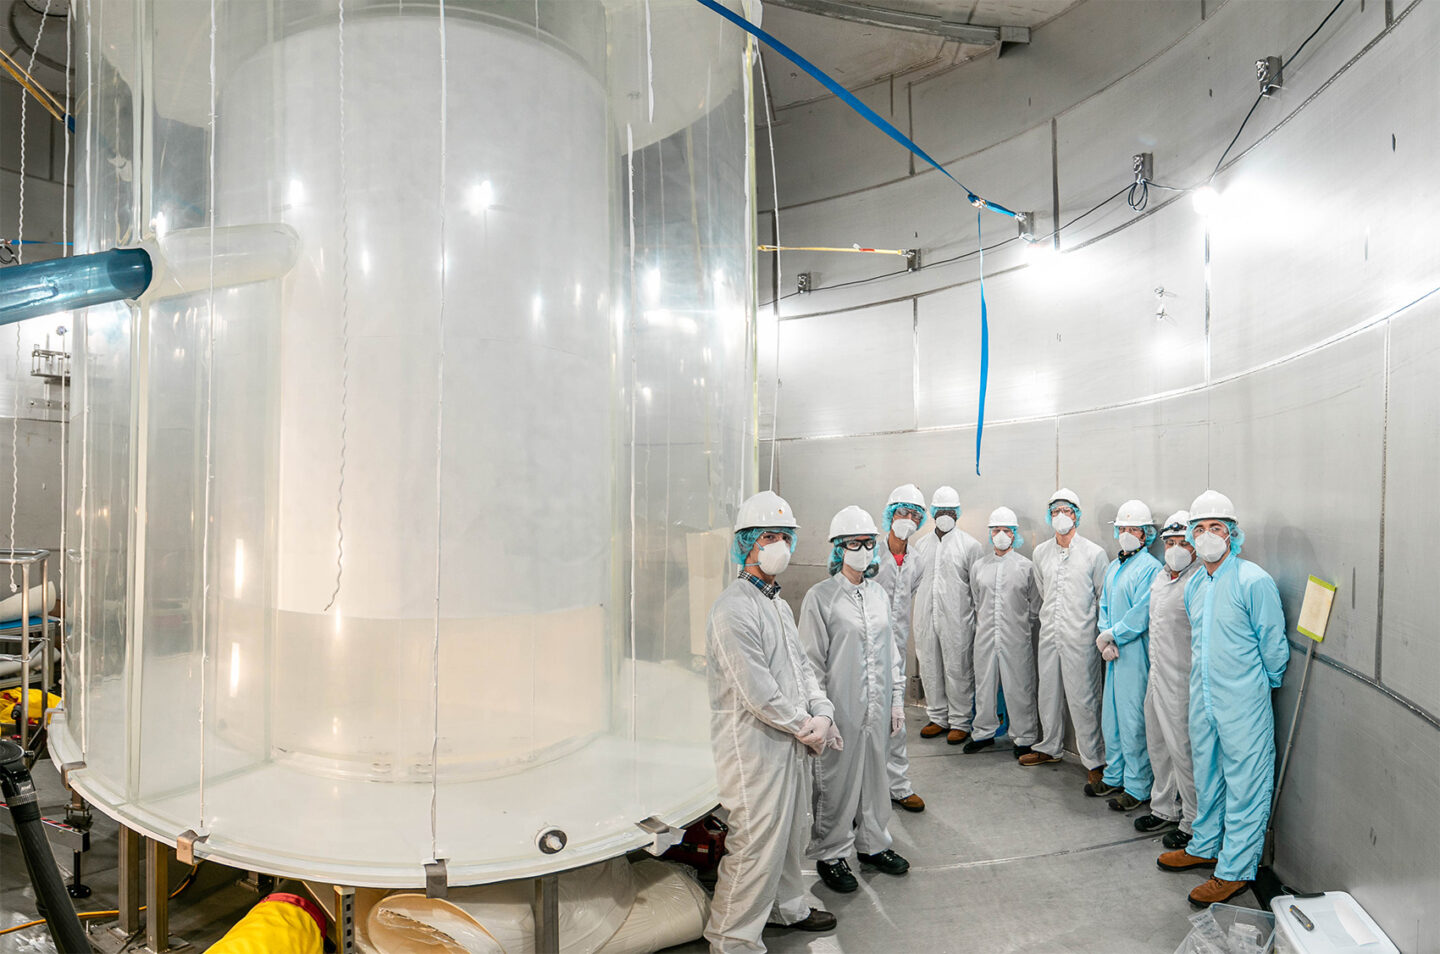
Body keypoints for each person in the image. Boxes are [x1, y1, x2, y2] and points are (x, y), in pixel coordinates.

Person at [704, 491, 840, 952]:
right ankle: (731, 939)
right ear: (747, 544)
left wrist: (823, 712)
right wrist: (807, 724)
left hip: (788, 741)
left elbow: (802, 671)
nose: (780, 544)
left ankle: (788, 908)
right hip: (755, 749)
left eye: (786, 535)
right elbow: (758, 692)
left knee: (791, 835)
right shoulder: (732, 608)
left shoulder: (779, 605)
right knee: (757, 845)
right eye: (769, 536)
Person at [1158, 491, 1288, 907]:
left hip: (1243, 702)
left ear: (1232, 534)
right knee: (1208, 776)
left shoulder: (1254, 580)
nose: (1208, 536)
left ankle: (1234, 870)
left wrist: (1256, 688)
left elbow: (1273, 646)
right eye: (1200, 529)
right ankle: (1205, 844)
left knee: (1246, 784)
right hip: (1205, 698)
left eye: (1216, 528)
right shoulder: (1196, 583)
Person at [798, 506, 911, 895]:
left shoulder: (878, 594)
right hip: (840, 709)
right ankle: (831, 853)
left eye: (867, 543)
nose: (862, 550)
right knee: (837, 781)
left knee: (877, 779)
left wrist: (897, 699)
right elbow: (809, 663)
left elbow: (892, 652)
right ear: (837, 549)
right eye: (853, 544)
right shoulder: (821, 598)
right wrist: (821, 713)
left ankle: (874, 845)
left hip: (877, 708)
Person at [1021, 489, 1110, 793]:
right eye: (1056, 510)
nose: (1062, 515)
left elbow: (1102, 598)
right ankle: (1049, 746)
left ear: (1077, 515)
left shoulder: (1094, 553)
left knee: (1084, 698)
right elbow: (1045, 591)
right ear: (1050, 516)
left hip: (1081, 637)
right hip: (1050, 634)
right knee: (1048, 692)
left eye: (1068, 510)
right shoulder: (1041, 552)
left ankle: (1095, 761)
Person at [1134, 511, 1201, 847]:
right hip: (1157, 675)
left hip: (1183, 682)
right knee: (1158, 745)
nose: (1175, 549)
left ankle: (1191, 821)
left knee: (1183, 752)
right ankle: (1163, 809)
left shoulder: (1198, 581)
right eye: (1170, 543)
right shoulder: (1161, 578)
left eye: (1183, 543)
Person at [1095, 500, 1162, 811]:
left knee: (1133, 720)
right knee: (1112, 718)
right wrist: (1104, 636)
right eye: (1122, 529)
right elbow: (1105, 604)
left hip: (1134, 652)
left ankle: (1137, 786)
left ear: (1146, 534)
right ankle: (1114, 774)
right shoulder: (1114, 565)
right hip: (1112, 653)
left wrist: (1115, 635)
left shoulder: (1150, 568)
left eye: (1133, 529)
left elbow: (1142, 614)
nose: (1126, 534)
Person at [962, 507, 1040, 757]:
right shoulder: (979, 567)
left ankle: (1024, 736)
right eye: (997, 530)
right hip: (984, 635)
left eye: (1007, 530)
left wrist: (1019, 625)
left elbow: (1035, 605)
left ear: (1015, 534)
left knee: (1019, 686)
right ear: (990, 533)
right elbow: (976, 600)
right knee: (984, 685)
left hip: (1016, 636)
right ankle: (983, 732)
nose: (1002, 535)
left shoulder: (1026, 567)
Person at [913, 485, 983, 745]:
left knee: (958, 669)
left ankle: (960, 721)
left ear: (958, 513)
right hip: (925, 616)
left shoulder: (970, 546)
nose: (945, 515)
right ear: (932, 512)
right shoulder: (920, 545)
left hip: (958, 619)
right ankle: (937, 716)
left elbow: (977, 590)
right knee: (930, 666)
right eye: (940, 510)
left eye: (950, 511)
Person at [874, 484, 928, 812]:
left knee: (897, 719)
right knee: (859, 721)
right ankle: (862, 789)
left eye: (914, 515)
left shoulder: (917, 561)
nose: (907, 519)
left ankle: (898, 785)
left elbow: (909, 596)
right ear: (889, 515)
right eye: (902, 512)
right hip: (863, 651)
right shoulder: (868, 555)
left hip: (896, 651)